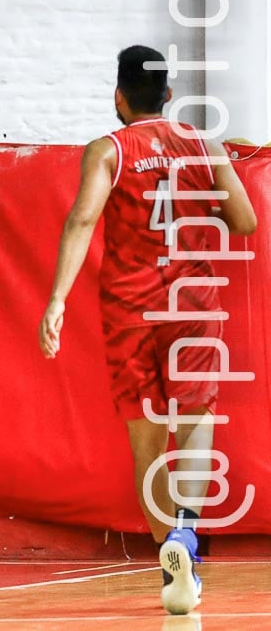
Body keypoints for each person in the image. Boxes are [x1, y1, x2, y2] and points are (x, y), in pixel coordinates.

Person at [39, 45, 256, 615]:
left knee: (145, 437)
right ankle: (188, 534)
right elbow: (245, 220)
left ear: (118, 97)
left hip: (129, 308)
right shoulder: (201, 142)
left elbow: (83, 217)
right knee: (196, 419)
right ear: (168, 94)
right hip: (191, 303)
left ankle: (168, 553)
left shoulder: (107, 150)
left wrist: (57, 299)